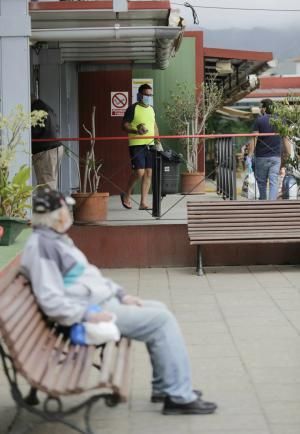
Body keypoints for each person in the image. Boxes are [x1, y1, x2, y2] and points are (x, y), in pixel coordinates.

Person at [21, 188, 218, 416]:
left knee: (158, 309)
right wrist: (88, 315)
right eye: (66, 208)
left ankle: (166, 389)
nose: (69, 212)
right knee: (161, 320)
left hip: (100, 303)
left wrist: (121, 294)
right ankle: (179, 395)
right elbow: (51, 299)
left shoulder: (54, 239)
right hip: (88, 314)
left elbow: (88, 275)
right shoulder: (42, 247)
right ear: (55, 215)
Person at [121, 84, 161, 210]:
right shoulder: (133, 108)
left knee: (149, 173)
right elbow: (124, 126)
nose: (148, 97)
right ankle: (126, 194)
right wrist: (135, 131)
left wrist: (158, 141)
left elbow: (154, 126)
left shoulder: (152, 109)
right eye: (146, 95)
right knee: (139, 172)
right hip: (136, 144)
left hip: (150, 145)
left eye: (150, 95)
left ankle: (143, 203)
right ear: (139, 95)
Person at [249, 99, 281, 200]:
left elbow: (254, 138)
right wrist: (287, 154)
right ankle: (272, 205)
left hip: (261, 157)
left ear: (265, 108)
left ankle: (263, 204)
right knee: (274, 181)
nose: (260, 109)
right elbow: (286, 139)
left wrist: (249, 155)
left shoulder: (259, 120)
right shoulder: (281, 121)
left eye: (261, 107)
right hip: (276, 157)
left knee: (262, 182)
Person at [31, 97, 64, 190]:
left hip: (46, 150)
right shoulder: (46, 107)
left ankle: (50, 204)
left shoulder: (35, 110)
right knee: (50, 181)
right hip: (56, 147)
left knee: (47, 184)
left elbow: (33, 132)